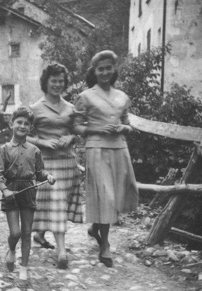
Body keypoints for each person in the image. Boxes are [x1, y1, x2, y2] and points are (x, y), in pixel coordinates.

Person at [73, 50, 139, 267]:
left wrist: (123, 127)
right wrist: (98, 129)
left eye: (108, 68)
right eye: (100, 69)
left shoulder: (122, 96)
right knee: (106, 196)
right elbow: (76, 126)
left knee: (115, 195)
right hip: (97, 149)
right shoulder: (86, 96)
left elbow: (129, 125)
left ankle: (95, 228)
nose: (105, 72)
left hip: (119, 148)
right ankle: (105, 246)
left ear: (114, 69)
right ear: (94, 71)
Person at [26, 63, 83, 269]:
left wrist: (71, 137)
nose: (58, 85)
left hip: (68, 163)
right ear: (46, 82)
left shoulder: (70, 108)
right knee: (57, 203)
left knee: (57, 204)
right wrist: (41, 142)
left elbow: (78, 133)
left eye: (61, 81)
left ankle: (40, 234)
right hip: (47, 164)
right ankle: (61, 251)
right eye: (54, 81)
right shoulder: (35, 108)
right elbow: (20, 135)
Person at [0, 106, 55, 286]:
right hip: (11, 192)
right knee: (16, 232)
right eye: (19, 122)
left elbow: (40, 170)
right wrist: (4, 190)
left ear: (30, 128)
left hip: (28, 191)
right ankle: (12, 249)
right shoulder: (4, 149)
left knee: (27, 232)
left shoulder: (34, 150)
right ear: (12, 124)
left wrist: (47, 176)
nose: (22, 126)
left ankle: (24, 268)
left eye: (26, 124)